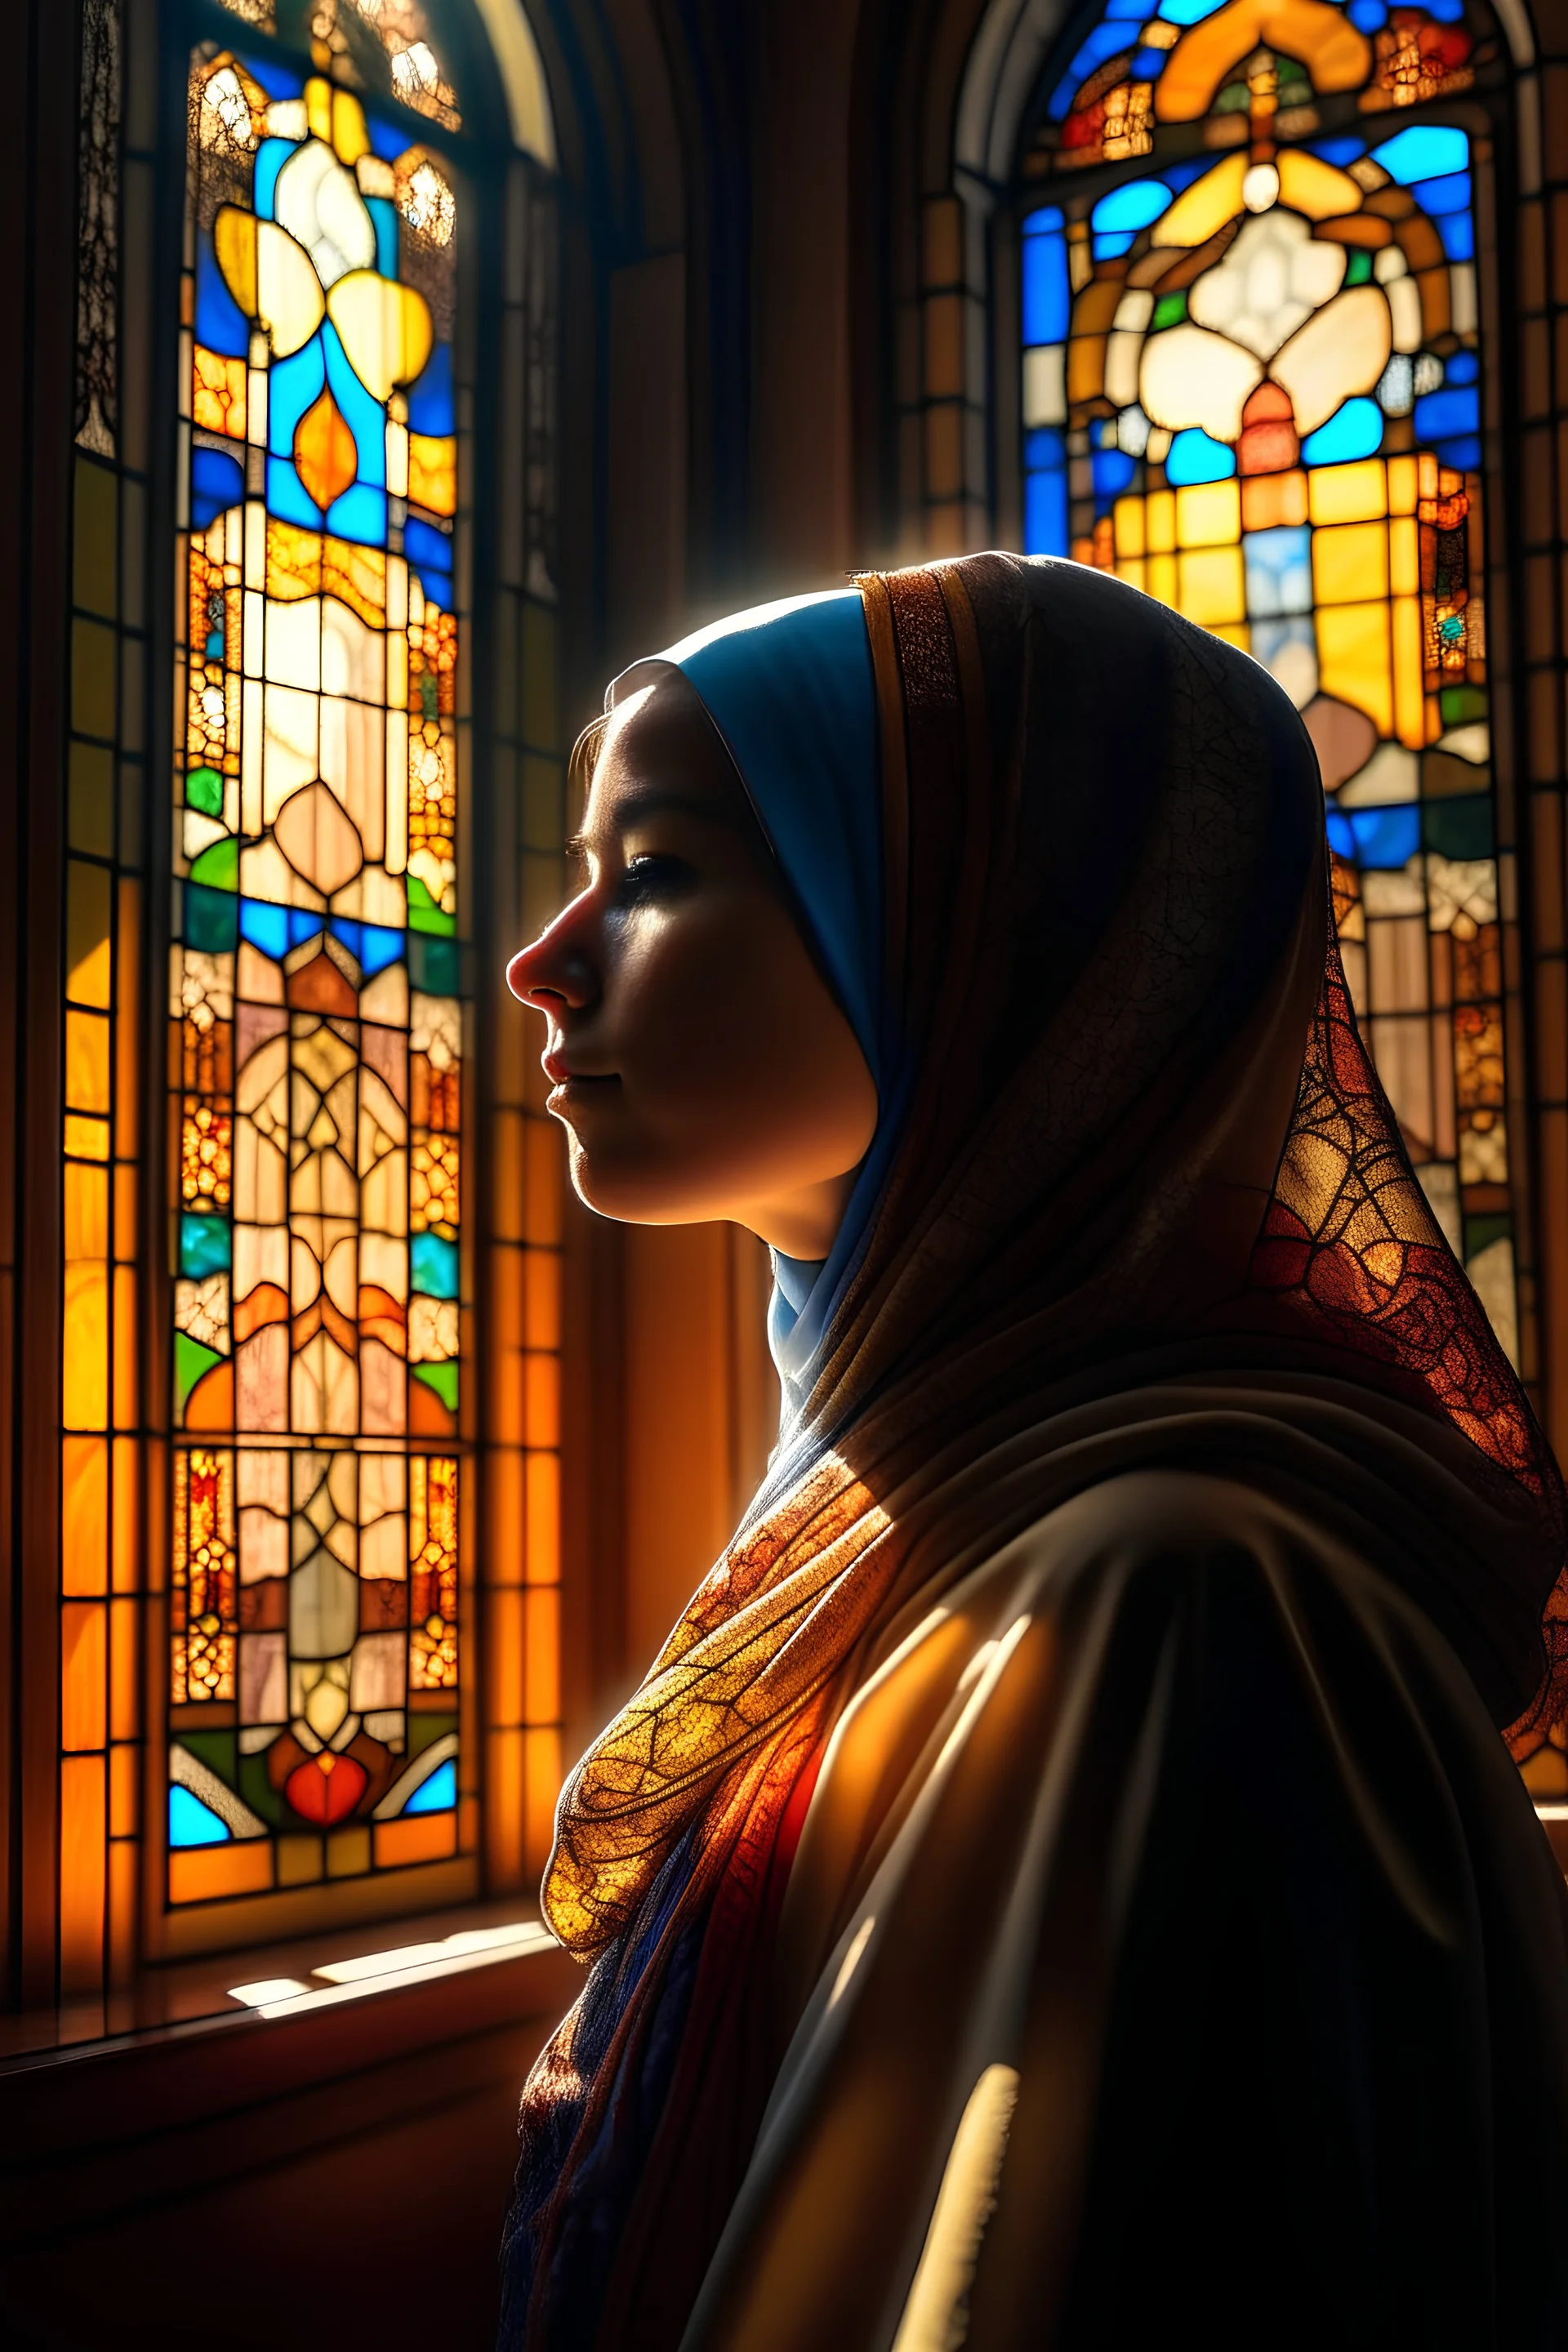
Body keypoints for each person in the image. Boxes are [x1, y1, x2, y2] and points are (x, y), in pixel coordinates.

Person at [499, 553, 1568, 2351]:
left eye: (658, 870)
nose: (543, 961)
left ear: (995, 947)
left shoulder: (1174, 1609)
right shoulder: (945, 1535)